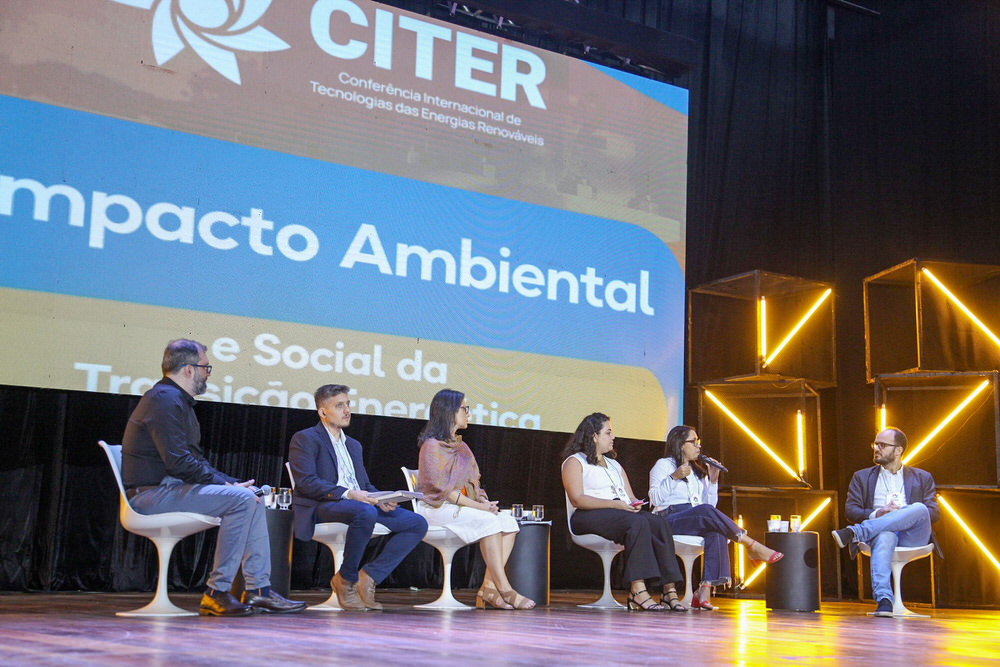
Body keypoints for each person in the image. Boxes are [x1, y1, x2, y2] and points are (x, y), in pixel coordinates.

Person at [122, 339, 305, 616]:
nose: (207, 373)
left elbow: (194, 462)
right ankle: (216, 593)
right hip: (151, 495)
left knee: (252, 497)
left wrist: (230, 483)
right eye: (205, 367)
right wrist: (226, 485)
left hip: (170, 488)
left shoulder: (176, 401)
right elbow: (179, 463)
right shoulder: (164, 400)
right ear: (188, 369)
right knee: (242, 499)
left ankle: (259, 591)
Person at [288, 384, 428, 611]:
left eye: (348, 404)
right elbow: (307, 482)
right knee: (365, 511)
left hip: (358, 505)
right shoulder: (306, 438)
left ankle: (369, 576)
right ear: (323, 412)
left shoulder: (353, 445)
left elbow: (363, 485)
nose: (347, 410)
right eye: (339, 405)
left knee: (416, 523)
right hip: (322, 505)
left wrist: (381, 498)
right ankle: (347, 579)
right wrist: (349, 494)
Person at [416, 388, 534, 610]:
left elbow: (474, 484)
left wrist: (484, 502)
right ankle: (505, 589)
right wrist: (480, 508)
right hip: (436, 508)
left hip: (461, 506)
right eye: (464, 408)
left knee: (508, 522)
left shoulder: (462, 447)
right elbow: (445, 492)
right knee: (488, 520)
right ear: (450, 411)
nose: (468, 413)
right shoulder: (431, 446)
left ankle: (488, 587)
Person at [561, 412, 687, 612]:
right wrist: (615, 505)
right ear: (594, 436)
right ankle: (637, 590)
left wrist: (633, 504)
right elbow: (577, 499)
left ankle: (668, 590)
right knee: (637, 523)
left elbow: (630, 496)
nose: (613, 437)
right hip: (587, 514)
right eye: (608, 433)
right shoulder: (575, 462)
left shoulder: (614, 464)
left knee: (658, 523)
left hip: (619, 513)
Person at [649, 425, 783, 610]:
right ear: (680, 444)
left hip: (695, 517)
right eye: (693, 442)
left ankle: (704, 589)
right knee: (707, 515)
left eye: (698, 442)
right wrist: (674, 477)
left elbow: (709, 507)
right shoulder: (663, 465)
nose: (698, 446)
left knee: (716, 530)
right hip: (667, 518)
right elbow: (655, 499)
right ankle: (750, 544)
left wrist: (713, 481)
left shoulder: (697, 471)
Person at [832, 427, 941, 617]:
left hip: (912, 536)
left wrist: (904, 514)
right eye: (875, 444)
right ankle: (884, 600)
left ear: (898, 450)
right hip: (879, 535)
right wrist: (879, 513)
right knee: (885, 535)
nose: (876, 448)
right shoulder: (862, 477)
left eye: (882, 445)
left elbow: (933, 513)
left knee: (920, 508)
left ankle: (855, 532)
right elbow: (851, 511)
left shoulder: (922, 477)